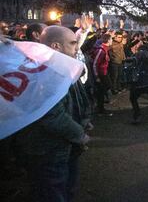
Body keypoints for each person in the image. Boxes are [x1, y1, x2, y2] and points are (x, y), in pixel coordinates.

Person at [15, 25, 91, 202]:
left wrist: (84, 119)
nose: (77, 48)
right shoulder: (41, 72)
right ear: (56, 46)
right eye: (73, 43)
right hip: (48, 149)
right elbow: (52, 116)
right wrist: (80, 134)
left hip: (64, 145)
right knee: (52, 193)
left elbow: (76, 99)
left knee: (65, 188)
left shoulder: (63, 67)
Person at [91, 33, 113, 116]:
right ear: (107, 40)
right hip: (100, 74)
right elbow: (95, 64)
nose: (112, 41)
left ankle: (100, 107)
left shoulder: (105, 48)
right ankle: (100, 109)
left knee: (105, 88)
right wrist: (96, 76)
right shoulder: (101, 50)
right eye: (111, 39)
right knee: (101, 91)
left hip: (104, 72)